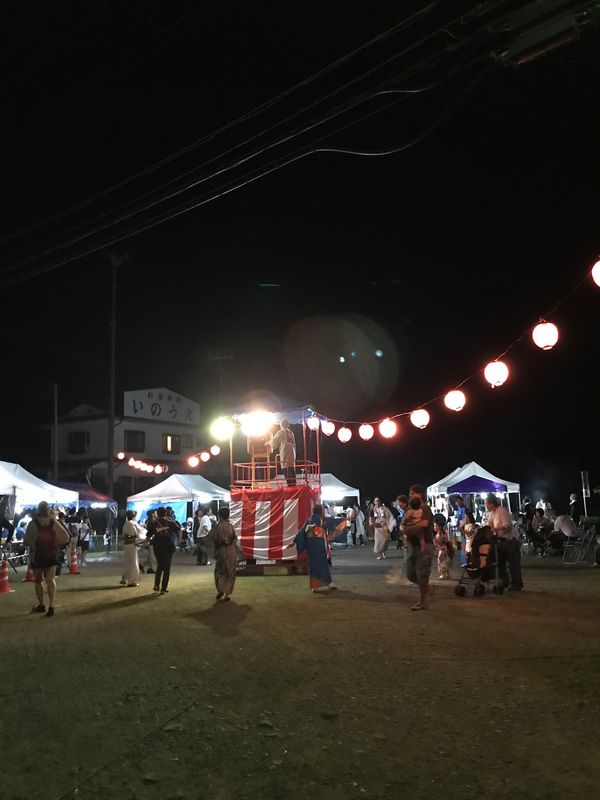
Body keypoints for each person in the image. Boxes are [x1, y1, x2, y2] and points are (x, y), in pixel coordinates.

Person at [24, 502, 70, 617]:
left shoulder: (32, 524)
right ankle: (52, 606)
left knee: (38, 581)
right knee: (50, 580)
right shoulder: (53, 522)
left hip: (37, 555)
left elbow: (26, 541)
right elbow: (66, 537)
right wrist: (54, 542)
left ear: (38, 510)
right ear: (48, 510)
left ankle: (41, 605)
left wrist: (35, 543)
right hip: (51, 554)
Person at [294, 504, 345, 592]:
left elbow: (302, 532)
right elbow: (331, 523)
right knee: (322, 563)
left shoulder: (309, 520)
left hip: (311, 546)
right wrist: (345, 521)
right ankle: (326, 583)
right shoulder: (320, 519)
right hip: (319, 545)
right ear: (320, 511)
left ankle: (317, 586)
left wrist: (296, 540)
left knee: (315, 565)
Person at [403, 485, 434, 611]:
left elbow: (424, 524)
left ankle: (422, 602)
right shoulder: (410, 509)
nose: (410, 495)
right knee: (410, 573)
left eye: (412, 493)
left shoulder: (425, 508)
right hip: (412, 545)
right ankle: (425, 587)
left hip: (425, 544)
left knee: (422, 574)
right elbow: (403, 525)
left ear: (419, 494)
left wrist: (408, 528)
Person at [486, 492, 523, 591]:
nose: (485, 506)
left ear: (491, 504)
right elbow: (489, 525)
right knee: (500, 563)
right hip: (500, 541)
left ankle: (516, 584)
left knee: (513, 563)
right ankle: (504, 582)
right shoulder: (492, 513)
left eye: (486, 503)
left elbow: (507, 524)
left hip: (510, 540)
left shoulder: (501, 511)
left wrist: (496, 529)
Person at [148, 507, 178, 594]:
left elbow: (148, 536)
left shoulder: (154, 524)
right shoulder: (170, 523)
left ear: (157, 513)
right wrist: (178, 541)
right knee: (166, 568)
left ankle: (156, 585)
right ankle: (163, 588)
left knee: (159, 566)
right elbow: (179, 530)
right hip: (168, 547)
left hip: (157, 547)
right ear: (165, 514)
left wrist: (144, 543)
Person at [213, 507, 238, 601]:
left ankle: (220, 590)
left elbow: (211, 539)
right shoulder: (231, 526)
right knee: (230, 572)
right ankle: (227, 593)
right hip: (231, 551)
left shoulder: (217, 526)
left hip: (221, 551)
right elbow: (235, 539)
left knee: (219, 571)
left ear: (219, 515)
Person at [268, 419, 296, 486]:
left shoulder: (281, 432)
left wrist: (268, 443)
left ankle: (291, 488)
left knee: (287, 472)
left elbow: (274, 444)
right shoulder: (291, 433)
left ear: (281, 425)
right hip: (292, 455)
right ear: (288, 425)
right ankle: (294, 487)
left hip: (285, 455)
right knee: (292, 472)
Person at [121, 510, 144, 586]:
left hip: (126, 545)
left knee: (128, 562)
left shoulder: (125, 523)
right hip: (132, 544)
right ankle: (131, 581)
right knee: (133, 562)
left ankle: (124, 578)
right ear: (134, 516)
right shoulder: (133, 523)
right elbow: (141, 532)